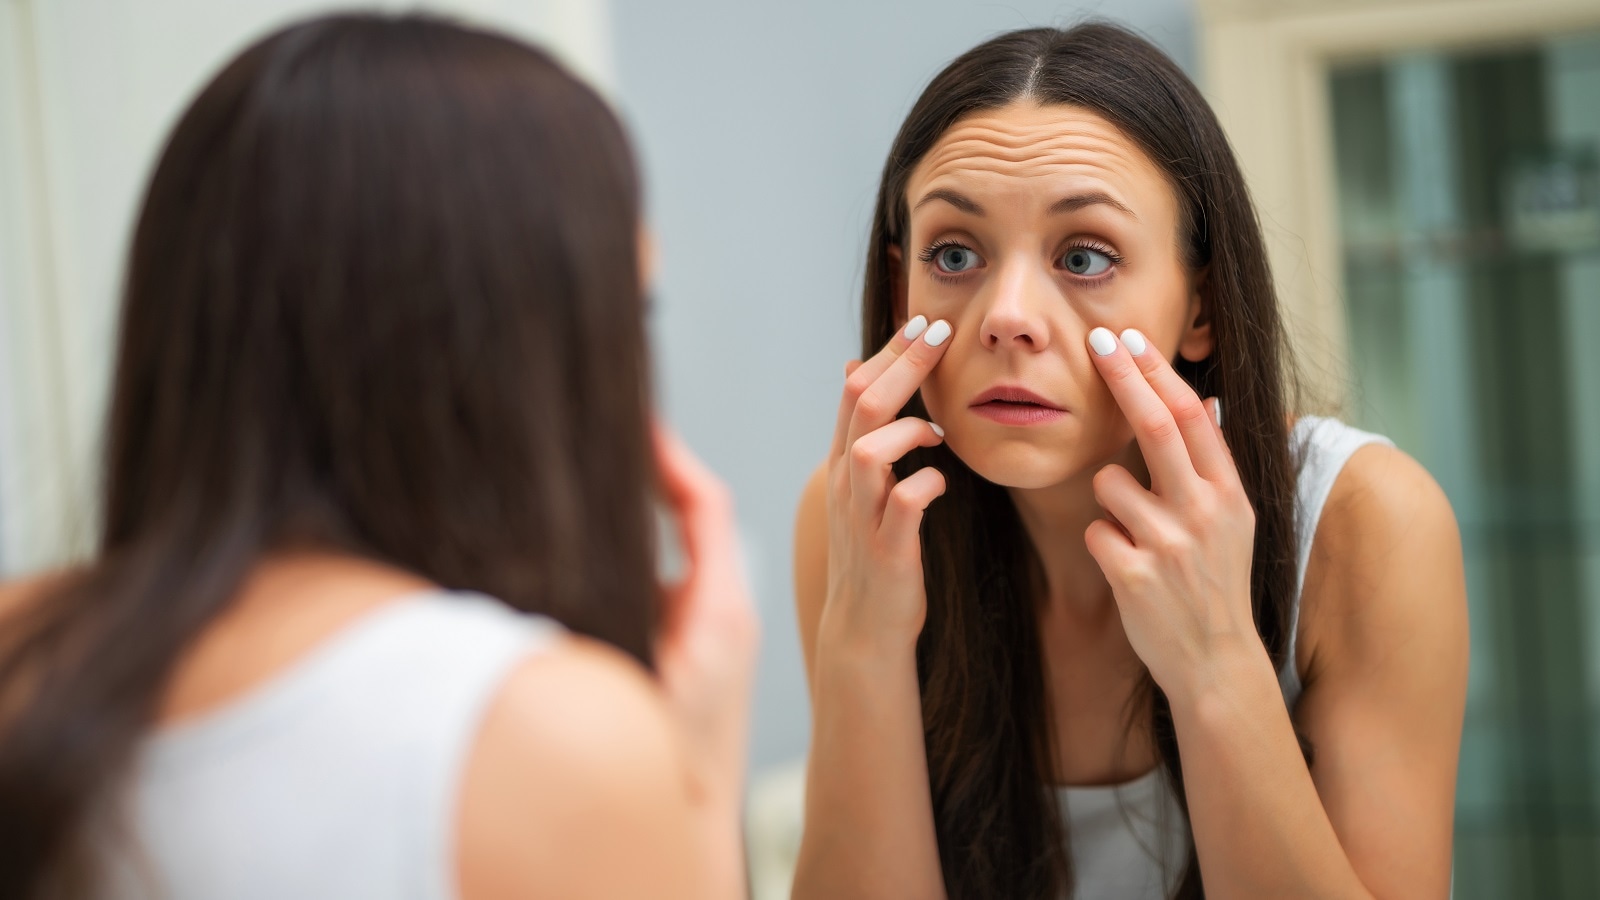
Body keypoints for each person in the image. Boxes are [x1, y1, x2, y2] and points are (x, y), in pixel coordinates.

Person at [0, 13, 756, 900]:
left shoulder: (23, 652)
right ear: (535, 347)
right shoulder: (546, 735)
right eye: (631, 311)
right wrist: (697, 770)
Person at [793, 23, 1468, 900]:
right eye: (953, 254)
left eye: (1085, 257)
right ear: (900, 293)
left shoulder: (1364, 523)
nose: (1008, 316)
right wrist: (863, 647)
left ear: (1203, 308)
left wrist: (1217, 662)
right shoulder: (857, 516)